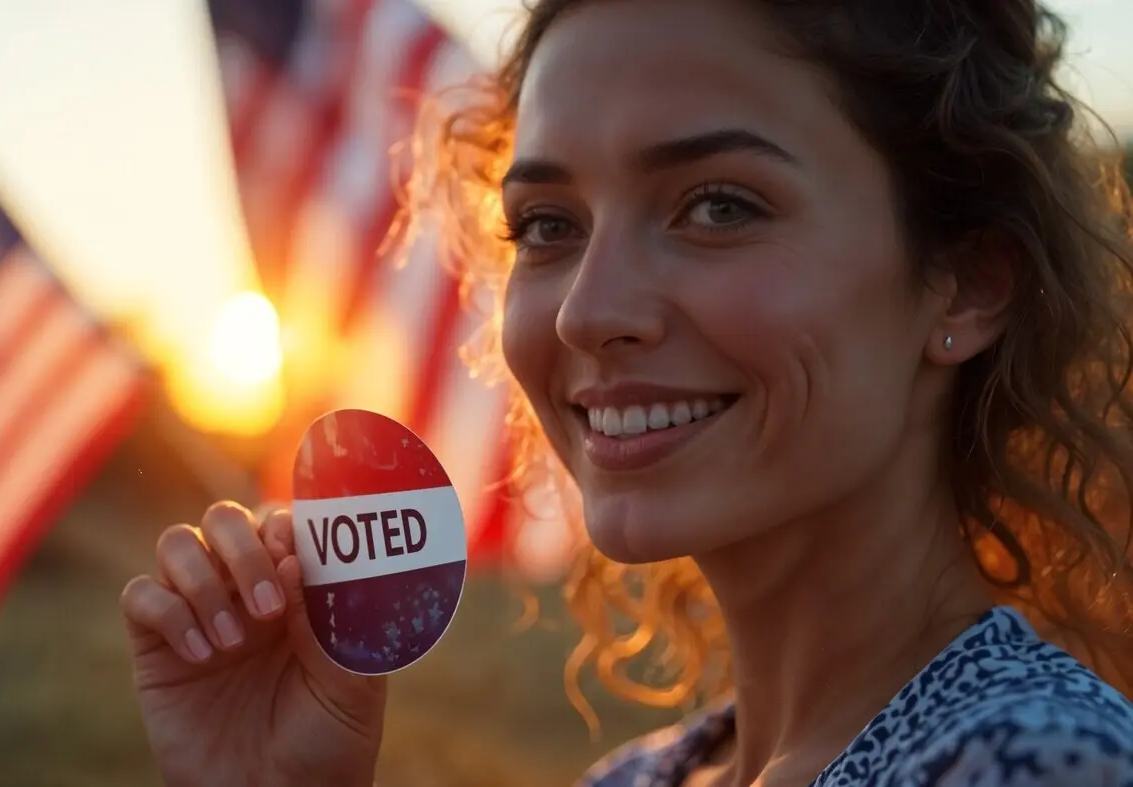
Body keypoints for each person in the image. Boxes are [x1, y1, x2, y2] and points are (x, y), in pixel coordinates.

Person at [118, 0, 1133, 784]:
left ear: (967, 282)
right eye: (549, 224)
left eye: (719, 205)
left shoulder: (1035, 761)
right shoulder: (645, 773)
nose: (584, 312)